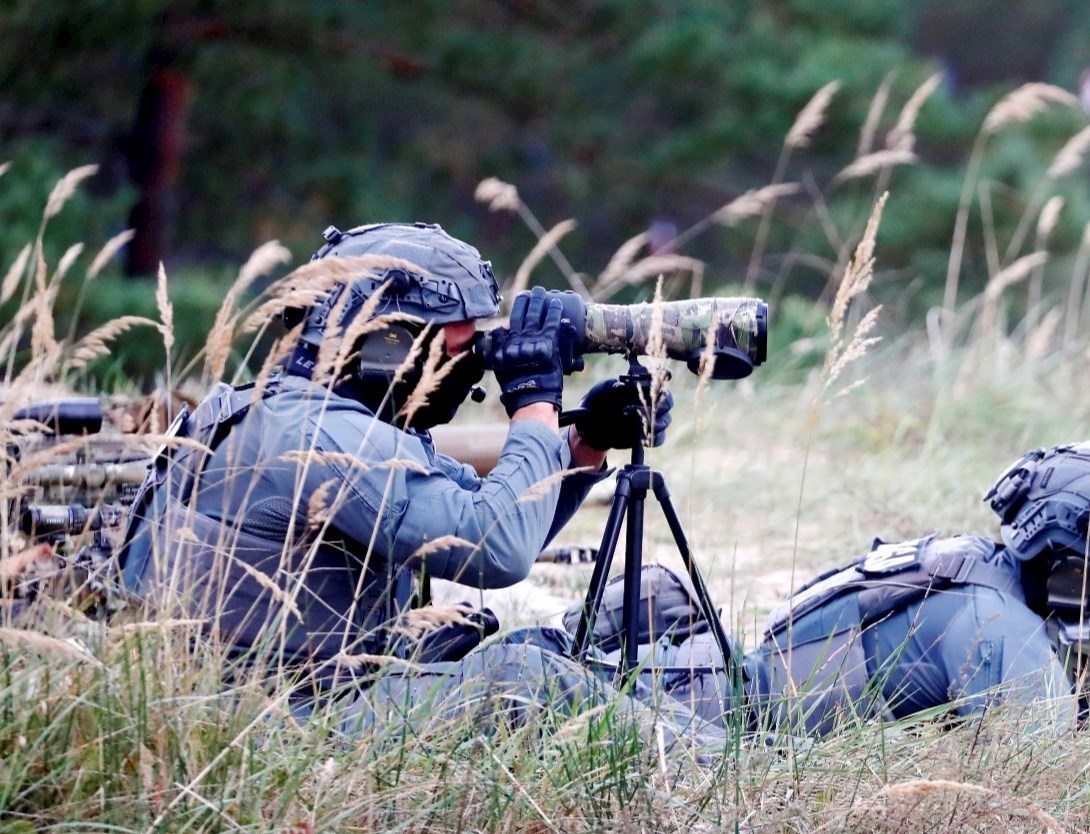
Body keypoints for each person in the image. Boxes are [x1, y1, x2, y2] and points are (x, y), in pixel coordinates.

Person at [117, 222, 673, 732]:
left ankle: (730, 707)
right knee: (526, 678)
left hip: (284, 696)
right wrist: (533, 406)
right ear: (389, 345)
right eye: (455, 350)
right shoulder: (321, 437)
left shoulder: (301, 413)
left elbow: (481, 512)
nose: (470, 366)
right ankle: (713, 761)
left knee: (557, 650)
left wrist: (583, 445)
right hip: (275, 728)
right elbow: (497, 549)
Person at [734, 441, 1090, 735]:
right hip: (709, 715)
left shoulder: (990, 575)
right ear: (1074, 573)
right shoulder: (1000, 628)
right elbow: (1056, 789)